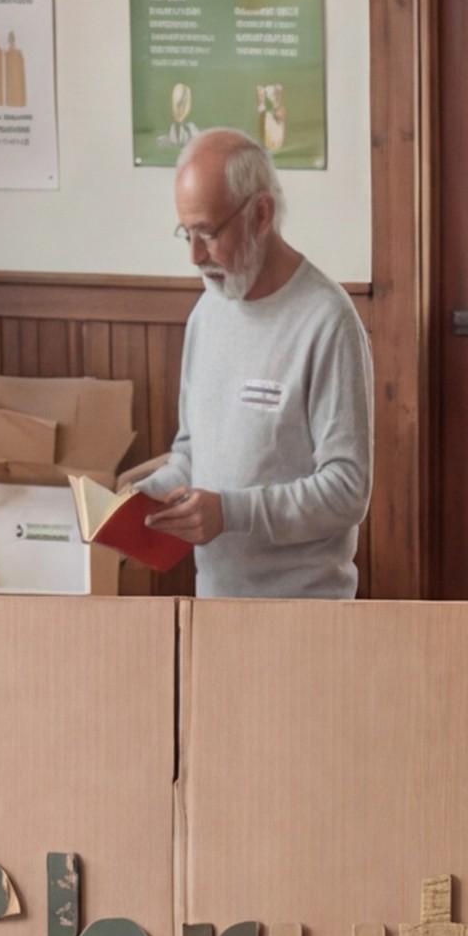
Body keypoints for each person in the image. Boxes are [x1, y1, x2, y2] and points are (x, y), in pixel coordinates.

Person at [133, 129, 373, 598]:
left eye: (208, 233)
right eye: (187, 233)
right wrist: (145, 497)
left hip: (302, 618)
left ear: (261, 214)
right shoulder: (207, 313)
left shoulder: (328, 321)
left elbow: (348, 490)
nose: (195, 256)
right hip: (215, 606)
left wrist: (232, 512)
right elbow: (190, 452)